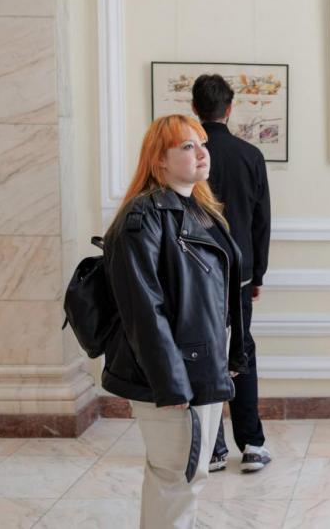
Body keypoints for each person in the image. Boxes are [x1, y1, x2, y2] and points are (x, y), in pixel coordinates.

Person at [103, 114, 248, 528]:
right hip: (172, 371)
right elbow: (143, 309)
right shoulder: (143, 217)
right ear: (159, 160)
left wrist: (231, 355)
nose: (202, 152)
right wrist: (170, 381)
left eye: (202, 143)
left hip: (202, 361)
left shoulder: (201, 211)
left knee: (190, 473)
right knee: (176, 475)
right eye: (187, 146)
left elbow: (218, 296)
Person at [191, 73, 273, 474]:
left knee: (202, 354)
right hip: (238, 274)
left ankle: (213, 448)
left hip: (194, 277)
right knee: (241, 352)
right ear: (230, 108)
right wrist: (258, 275)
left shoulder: (186, 157)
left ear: (194, 108)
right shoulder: (250, 155)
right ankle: (252, 444)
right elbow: (261, 221)